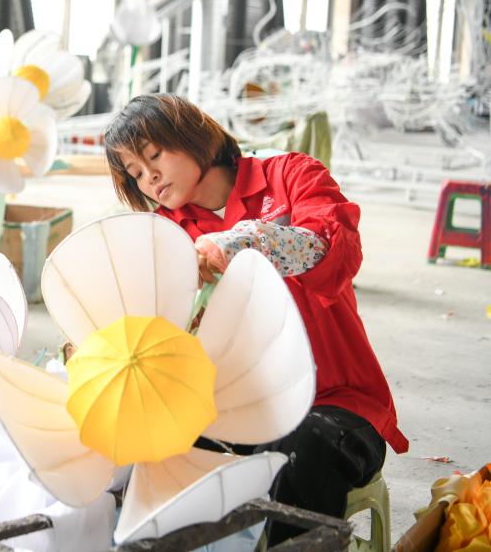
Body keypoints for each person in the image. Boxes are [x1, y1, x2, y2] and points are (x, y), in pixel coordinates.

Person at [103, 94, 407, 544]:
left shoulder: (290, 175)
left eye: (154, 155)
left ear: (194, 136)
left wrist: (248, 242)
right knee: (153, 456)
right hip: (240, 407)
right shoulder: (164, 236)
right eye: (134, 172)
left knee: (307, 446)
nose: (148, 176)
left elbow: (336, 250)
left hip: (336, 402)